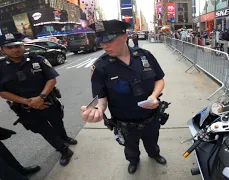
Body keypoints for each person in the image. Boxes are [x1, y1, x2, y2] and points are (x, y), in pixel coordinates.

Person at [81, 20, 167, 174]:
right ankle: (133, 161)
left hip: (150, 117)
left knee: (152, 141)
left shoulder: (144, 56)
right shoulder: (101, 67)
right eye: (101, 42)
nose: (105, 46)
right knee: (130, 148)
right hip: (125, 123)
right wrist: (98, 110)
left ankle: (155, 154)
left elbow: (159, 79)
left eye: (110, 41)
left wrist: (154, 96)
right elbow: (101, 99)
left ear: (125, 37)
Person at [0, 32, 76, 166]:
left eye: (17, 45)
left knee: (57, 122)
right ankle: (64, 150)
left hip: (48, 101)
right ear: (2, 50)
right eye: (9, 47)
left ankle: (64, 138)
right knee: (44, 130)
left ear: (23, 45)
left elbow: (51, 79)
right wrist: (28, 102)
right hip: (26, 108)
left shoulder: (37, 59)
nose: (15, 49)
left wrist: (41, 97)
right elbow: (2, 92)